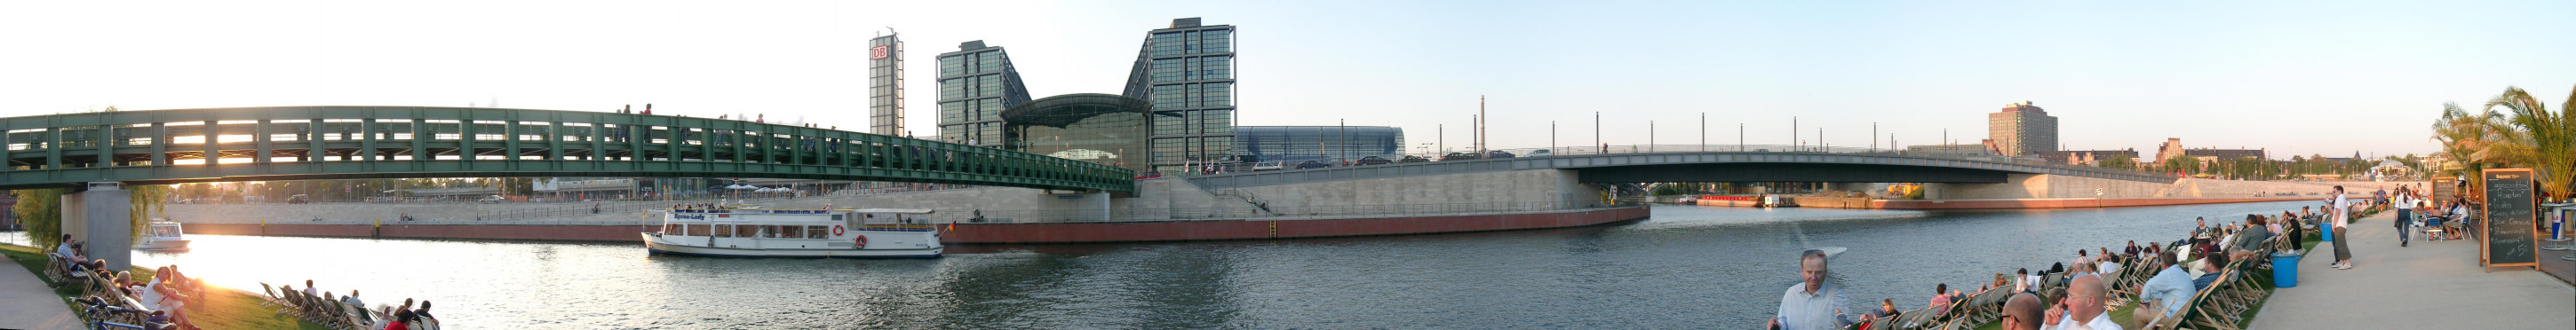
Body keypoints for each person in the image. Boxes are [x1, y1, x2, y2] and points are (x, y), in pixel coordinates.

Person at [1770, 249, 1852, 330]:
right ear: (1802, 271)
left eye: (1818, 272)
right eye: (1809, 272)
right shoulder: (1791, 293)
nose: (1813, 277)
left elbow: (1848, 326)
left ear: (1825, 272)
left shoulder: (1839, 296)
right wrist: (1778, 326)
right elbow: (1783, 321)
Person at [2042, 273, 2121, 330]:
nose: (2066, 302)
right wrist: (2050, 326)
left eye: (2072, 297)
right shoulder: (2069, 321)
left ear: (2090, 301)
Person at [2135, 253, 2195, 324]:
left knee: (2137, 313)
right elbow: (2167, 293)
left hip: (2178, 316)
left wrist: (2142, 302)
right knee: (2154, 301)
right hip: (2189, 311)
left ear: (2163, 265)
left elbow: (2149, 284)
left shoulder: (2168, 273)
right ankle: (2153, 327)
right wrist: (2144, 290)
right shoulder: (2182, 273)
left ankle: (2148, 326)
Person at [2327, 185, 2355, 270]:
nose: (2333, 193)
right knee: (2338, 244)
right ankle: (2341, 261)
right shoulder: (2342, 198)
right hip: (2340, 224)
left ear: (2340, 191)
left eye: (2334, 191)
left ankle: (2347, 262)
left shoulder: (2339, 199)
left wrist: (2334, 225)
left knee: (2341, 244)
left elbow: (2337, 212)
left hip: (2339, 225)